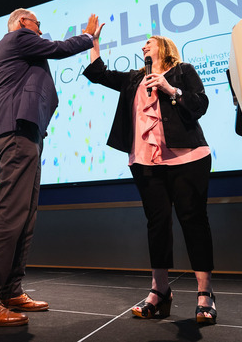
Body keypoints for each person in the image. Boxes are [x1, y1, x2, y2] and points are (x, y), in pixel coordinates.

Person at [0, 8, 100, 327]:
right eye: (38, 25)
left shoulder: (24, 46)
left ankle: (10, 291)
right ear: (24, 22)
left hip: (28, 133)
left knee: (25, 217)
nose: (40, 31)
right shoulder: (18, 38)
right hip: (15, 132)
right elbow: (59, 48)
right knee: (11, 214)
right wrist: (89, 37)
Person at [83, 27, 217, 325]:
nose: (144, 46)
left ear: (164, 47)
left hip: (187, 158)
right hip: (145, 161)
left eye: (149, 42)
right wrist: (93, 42)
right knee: (157, 223)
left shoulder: (183, 71)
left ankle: (205, 294)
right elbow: (98, 74)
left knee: (193, 220)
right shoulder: (133, 77)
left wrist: (170, 89)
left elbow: (201, 105)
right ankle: (159, 291)